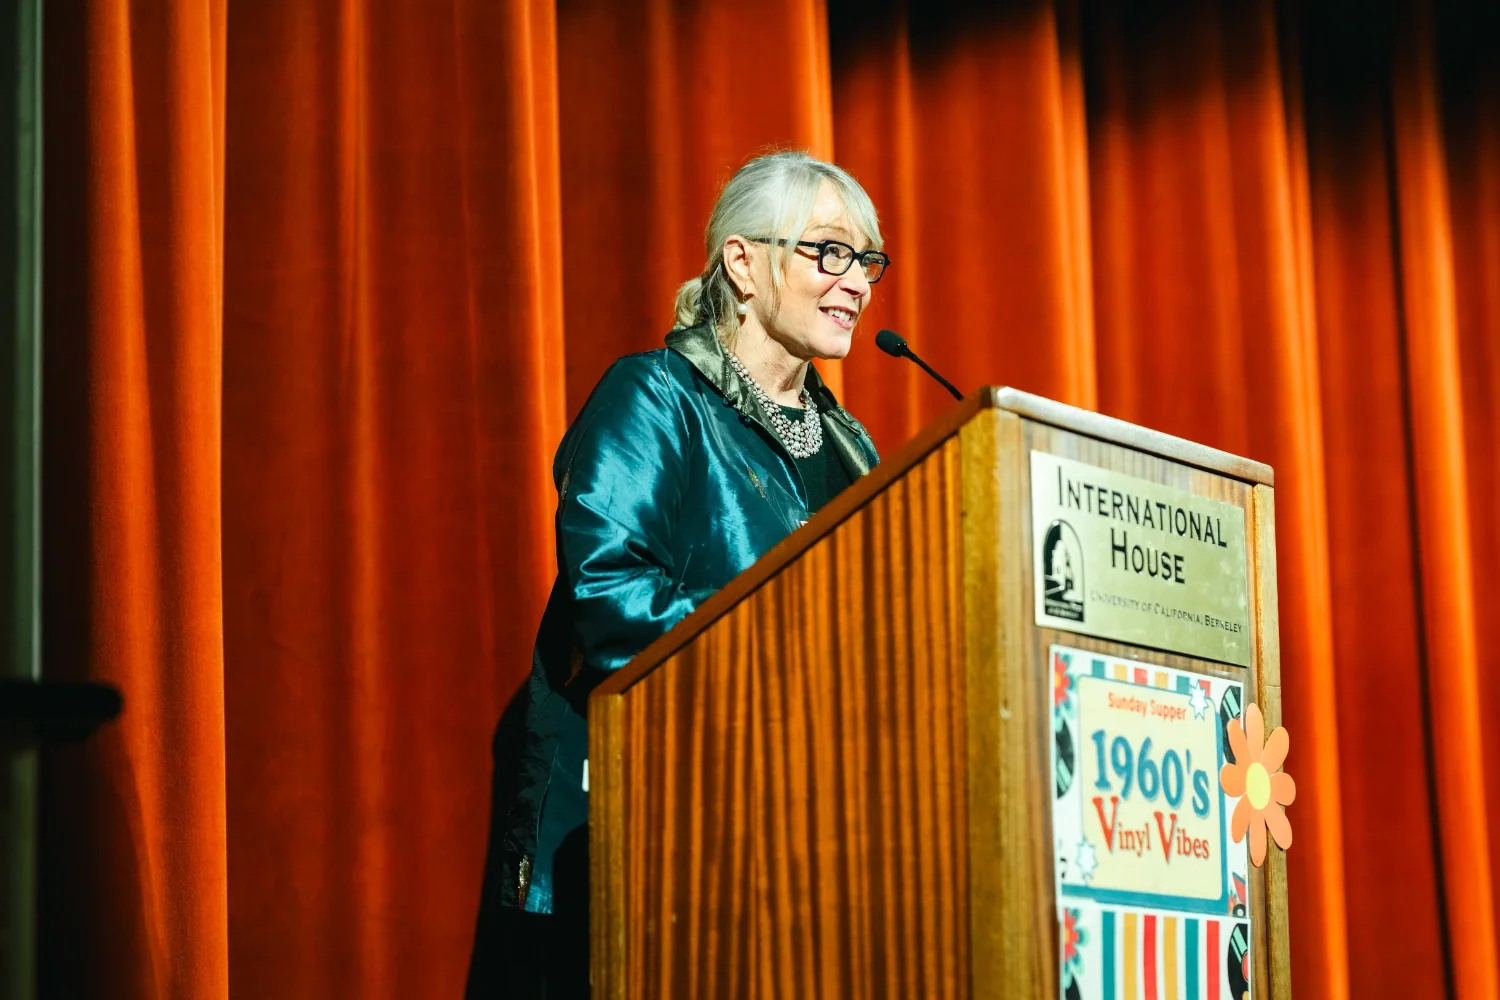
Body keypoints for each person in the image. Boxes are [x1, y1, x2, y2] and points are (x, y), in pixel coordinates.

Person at [490, 150, 889, 997]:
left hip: (809, 852)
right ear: (742, 262)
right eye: (829, 252)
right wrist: (790, 659)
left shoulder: (859, 456)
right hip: (652, 834)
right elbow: (609, 592)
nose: (856, 282)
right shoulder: (655, 398)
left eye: (867, 261)